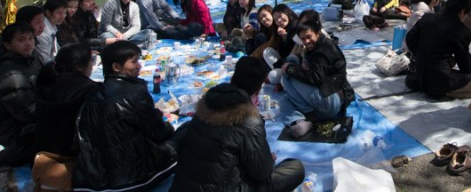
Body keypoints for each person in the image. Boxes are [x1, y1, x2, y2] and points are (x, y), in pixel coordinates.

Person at [171, 57, 305, 192]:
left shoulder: (208, 102)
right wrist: (269, 160)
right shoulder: (249, 120)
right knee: (295, 168)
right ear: (258, 90)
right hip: (224, 187)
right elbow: (261, 173)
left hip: (181, 186)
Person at [73, 41, 178, 191]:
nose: (139, 66)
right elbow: (158, 132)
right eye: (134, 62)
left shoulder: (95, 93)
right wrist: (169, 124)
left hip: (97, 176)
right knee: (187, 131)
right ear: (116, 67)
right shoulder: (135, 94)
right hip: (132, 177)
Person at [0, 22, 42, 166]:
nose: (28, 43)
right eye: (21, 40)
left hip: (19, 117)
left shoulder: (29, 57)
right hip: (6, 130)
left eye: (30, 38)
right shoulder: (8, 71)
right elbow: (26, 111)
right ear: (8, 45)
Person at [279, 18, 354, 138]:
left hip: (331, 101)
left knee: (287, 74)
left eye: (309, 37)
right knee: (284, 100)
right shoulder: (314, 47)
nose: (306, 41)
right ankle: (298, 122)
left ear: (317, 33)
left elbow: (316, 78)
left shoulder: (324, 49)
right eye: (303, 39)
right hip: (323, 104)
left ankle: (307, 113)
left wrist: (291, 68)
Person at [405, 0, 471, 99]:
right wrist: (468, 77)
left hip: (419, 73)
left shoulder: (427, 18)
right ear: (462, 12)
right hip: (439, 79)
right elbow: (464, 60)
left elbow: (410, 39)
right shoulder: (460, 30)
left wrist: (420, 54)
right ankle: (444, 92)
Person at [34, 43, 100, 157]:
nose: (91, 64)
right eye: (91, 61)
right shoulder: (88, 88)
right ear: (79, 67)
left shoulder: (48, 80)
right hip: (69, 151)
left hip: (42, 146)